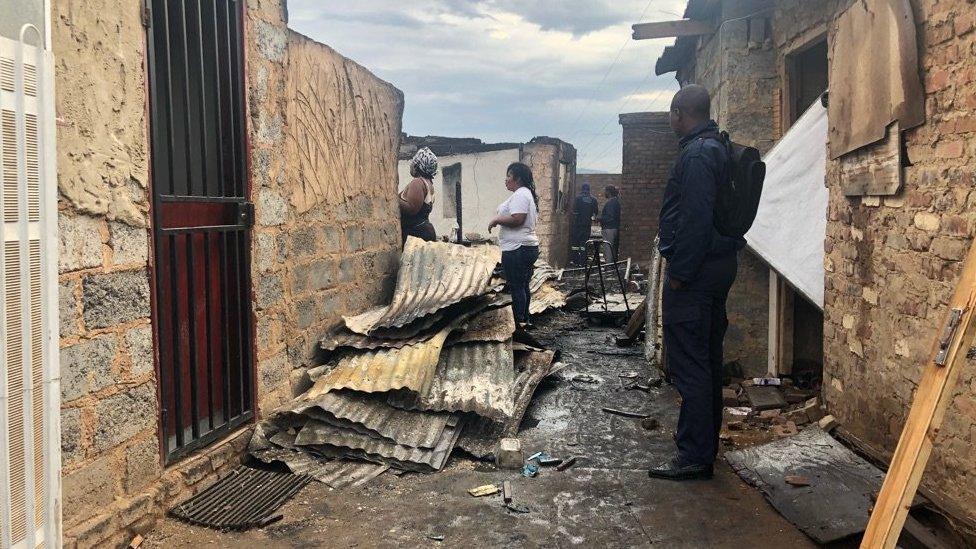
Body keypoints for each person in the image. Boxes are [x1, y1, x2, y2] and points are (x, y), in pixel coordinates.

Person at [648, 84, 744, 481]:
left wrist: (681, 276)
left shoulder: (699, 154)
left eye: (671, 115)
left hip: (697, 275)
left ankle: (694, 456)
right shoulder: (712, 146)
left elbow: (696, 220)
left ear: (677, 113)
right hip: (714, 269)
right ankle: (700, 448)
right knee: (704, 362)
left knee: (692, 367)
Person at [488, 162, 540, 329]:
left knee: (517, 286)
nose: (506, 180)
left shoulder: (520, 194)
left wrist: (496, 220)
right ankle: (524, 320)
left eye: (509, 176)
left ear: (517, 178)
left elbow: (518, 219)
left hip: (517, 248)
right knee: (523, 285)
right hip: (524, 247)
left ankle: (519, 323)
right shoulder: (525, 194)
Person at [399, 147, 438, 244]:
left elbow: (412, 208)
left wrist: (392, 198)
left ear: (418, 165)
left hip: (416, 236)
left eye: (413, 162)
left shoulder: (418, 182)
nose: (411, 165)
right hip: (423, 232)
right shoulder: (429, 184)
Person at [570, 183, 599, 265]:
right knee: (584, 243)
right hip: (587, 225)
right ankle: (583, 262)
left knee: (575, 244)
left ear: (581, 189)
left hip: (577, 225)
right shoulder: (593, 199)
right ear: (589, 189)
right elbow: (595, 213)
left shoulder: (578, 198)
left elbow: (574, 211)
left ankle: (575, 261)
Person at [600, 185, 621, 262]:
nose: (604, 193)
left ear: (609, 192)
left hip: (609, 228)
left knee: (608, 248)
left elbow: (610, 217)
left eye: (605, 191)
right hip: (614, 228)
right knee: (613, 248)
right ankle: (612, 266)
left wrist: (599, 219)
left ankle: (608, 266)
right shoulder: (616, 201)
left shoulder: (611, 203)